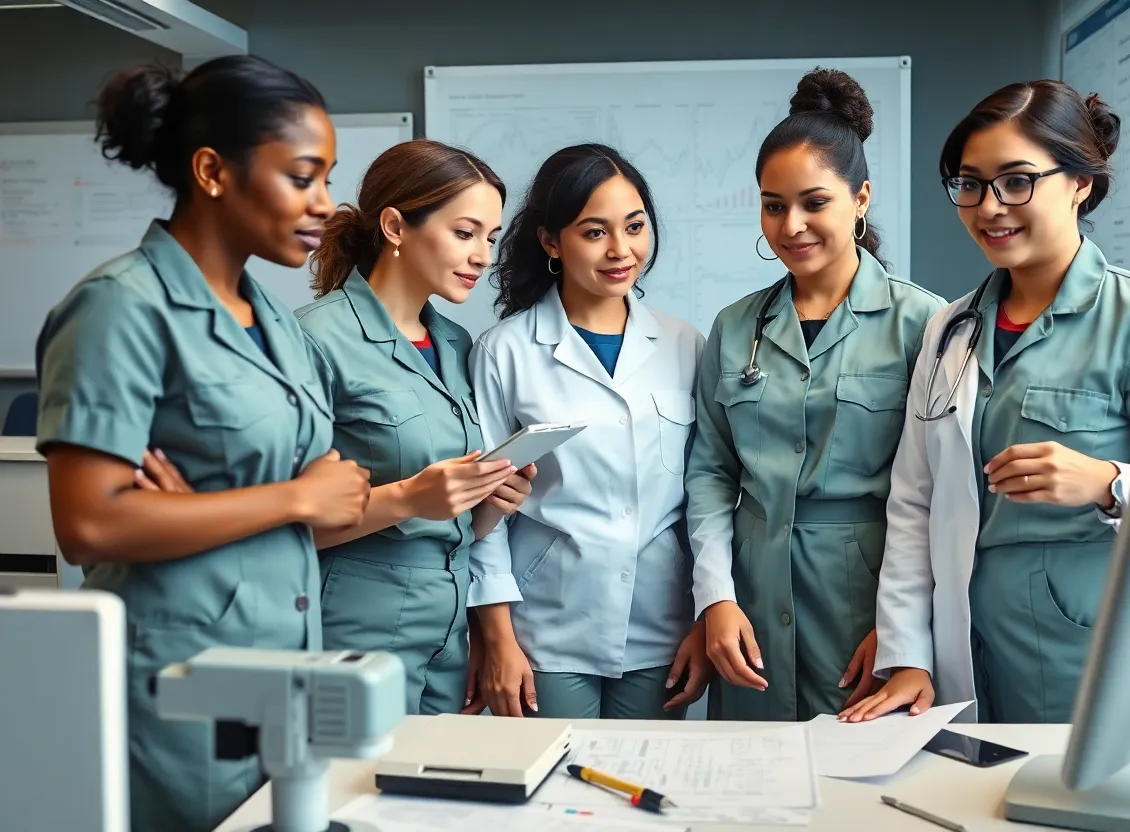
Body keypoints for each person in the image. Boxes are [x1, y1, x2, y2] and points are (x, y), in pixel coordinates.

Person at [35, 56, 371, 832]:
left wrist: (220, 509)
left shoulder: (277, 322)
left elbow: (336, 494)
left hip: (284, 665)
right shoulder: (122, 309)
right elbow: (88, 525)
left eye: (328, 179)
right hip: (176, 680)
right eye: (303, 177)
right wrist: (288, 498)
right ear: (214, 171)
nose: (325, 204)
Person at [842, 80, 1130, 725]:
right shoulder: (950, 329)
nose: (990, 206)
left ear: (1081, 181)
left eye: (1017, 181)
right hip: (965, 649)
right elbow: (915, 499)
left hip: (1088, 650)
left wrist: (1109, 483)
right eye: (970, 185)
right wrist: (910, 652)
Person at [684, 68, 947, 722]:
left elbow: (945, 494)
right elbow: (712, 473)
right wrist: (715, 598)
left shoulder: (926, 324)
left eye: (814, 202)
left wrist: (906, 631)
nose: (791, 224)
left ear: (860, 199)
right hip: (751, 603)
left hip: (866, 602)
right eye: (773, 205)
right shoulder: (735, 325)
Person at [468, 143, 711, 720]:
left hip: (661, 625)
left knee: (648, 789)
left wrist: (705, 615)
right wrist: (498, 640)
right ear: (551, 242)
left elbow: (707, 494)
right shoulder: (505, 352)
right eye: (594, 232)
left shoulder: (686, 346)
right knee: (551, 797)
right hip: (545, 628)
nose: (621, 250)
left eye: (634, 226)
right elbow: (484, 512)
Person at [296, 139, 534, 717]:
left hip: (446, 643)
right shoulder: (313, 340)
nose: (482, 255)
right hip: (353, 637)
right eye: (465, 232)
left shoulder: (454, 344)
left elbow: (449, 526)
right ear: (396, 226)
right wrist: (408, 498)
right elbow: (282, 527)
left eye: (491, 238)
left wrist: (493, 502)